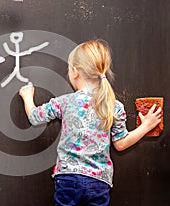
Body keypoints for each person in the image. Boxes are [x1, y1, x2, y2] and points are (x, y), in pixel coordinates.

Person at [19, 40, 162, 206]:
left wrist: (27, 96)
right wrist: (145, 127)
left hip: (68, 178)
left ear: (75, 72)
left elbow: (35, 117)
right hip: (99, 181)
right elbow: (121, 143)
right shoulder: (113, 106)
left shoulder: (65, 102)